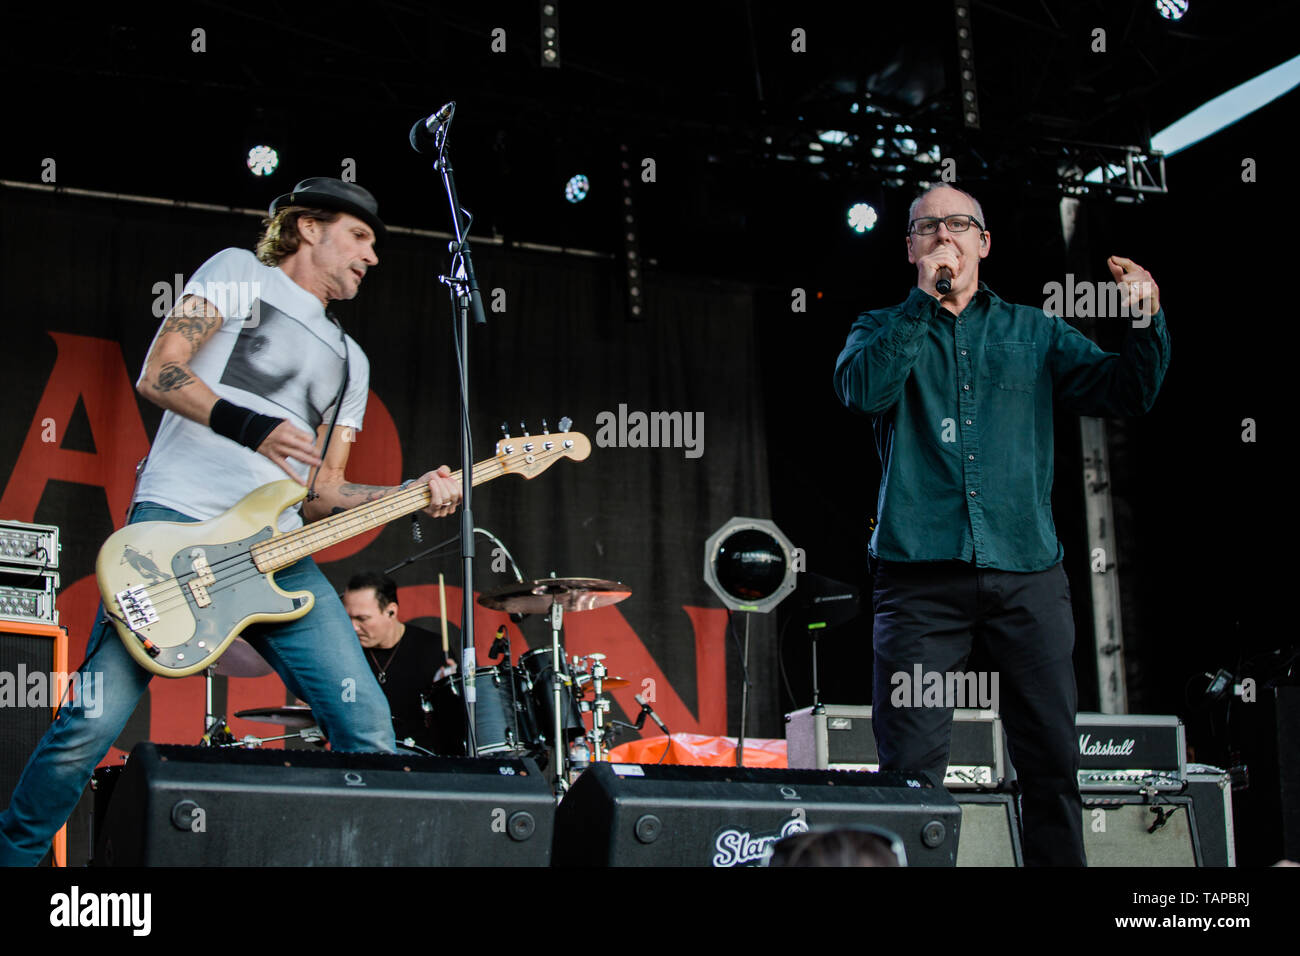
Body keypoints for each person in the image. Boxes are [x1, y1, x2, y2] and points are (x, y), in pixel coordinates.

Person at [0, 177, 463, 866]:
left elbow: (322, 494)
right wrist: (255, 428)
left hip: (277, 554)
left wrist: (407, 492)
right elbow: (160, 373)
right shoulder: (238, 272)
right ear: (309, 227)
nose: (372, 256)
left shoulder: (351, 361)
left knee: (367, 726)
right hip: (175, 526)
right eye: (360, 236)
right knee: (88, 725)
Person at [833, 184, 1170, 866]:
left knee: (1051, 763)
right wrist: (922, 305)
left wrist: (1145, 321)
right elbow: (862, 390)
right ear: (910, 248)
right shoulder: (878, 326)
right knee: (911, 775)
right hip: (919, 581)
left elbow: (1125, 391)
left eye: (959, 224)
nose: (944, 236)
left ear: (985, 242)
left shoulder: (1033, 330)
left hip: (1027, 575)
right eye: (928, 227)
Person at [342, 571, 456, 750]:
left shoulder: (432, 648)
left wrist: (455, 687)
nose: (353, 627)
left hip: (423, 761)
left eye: (361, 618)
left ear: (391, 611)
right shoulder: (345, 652)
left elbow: (455, 721)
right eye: (347, 617)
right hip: (362, 757)